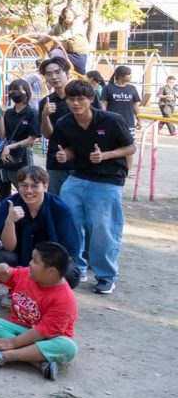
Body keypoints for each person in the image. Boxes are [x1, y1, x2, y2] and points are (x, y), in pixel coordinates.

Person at [50, 80, 134, 294]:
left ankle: (106, 275)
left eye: (81, 99)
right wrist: (65, 155)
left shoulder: (111, 120)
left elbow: (130, 147)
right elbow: (69, 148)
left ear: (90, 99)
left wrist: (105, 155)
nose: (76, 103)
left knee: (102, 227)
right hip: (79, 176)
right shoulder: (64, 122)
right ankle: (76, 268)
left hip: (108, 178)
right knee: (70, 222)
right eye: (71, 99)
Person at [0, 242, 78, 381]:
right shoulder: (28, 274)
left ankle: (8, 356)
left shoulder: (65, 299)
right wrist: (1, 270)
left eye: (35, 261)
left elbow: (42, 332)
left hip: (49, 339)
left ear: (51, 272)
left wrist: (13, 343)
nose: (30, 263)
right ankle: (38, 362)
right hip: (22, 330)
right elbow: (8, 276)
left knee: (68, 347)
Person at [0, 166, 81, 272]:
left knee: (70, 271)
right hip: (19, 257)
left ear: (45, 186)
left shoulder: (60, 209)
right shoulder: (8, 205)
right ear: (18, 186)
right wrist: (9, 222)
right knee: (2, 258)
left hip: (51, 259)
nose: (29, 191)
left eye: (34, 186)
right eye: (24, 185)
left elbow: (69, 249)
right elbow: (8, 247)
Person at [37, 56, 76, 193]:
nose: (54, 77)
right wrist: (45, 115)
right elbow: (48, 135)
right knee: (56, 199)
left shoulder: (81, 96)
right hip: (56, 159)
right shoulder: (46, 102)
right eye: (49, 74)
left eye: (58, 72)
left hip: (81, 159)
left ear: (66, 72)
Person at [0, 79, 39, 198]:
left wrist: (10, 147)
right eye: (12, 90)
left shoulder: (32, 113)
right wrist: (2, 116)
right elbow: (2, 136)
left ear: (26, 92)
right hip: (6, 157)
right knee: (4, 193)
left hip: (22, 156)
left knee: (25, 190)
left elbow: (32, 139)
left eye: (19, 90)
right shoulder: (8, 112)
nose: (15, 93)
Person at [102, 65, 141, 134]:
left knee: (129, 141)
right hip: (112, 123)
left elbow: (135, 105)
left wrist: (139, 119)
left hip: (128, 123)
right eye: (128, 74)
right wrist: (103, 119)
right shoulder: (107, 88)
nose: (131, 76)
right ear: (120, 76)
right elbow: (104, 104)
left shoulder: (132, 88)